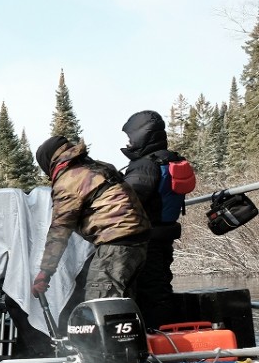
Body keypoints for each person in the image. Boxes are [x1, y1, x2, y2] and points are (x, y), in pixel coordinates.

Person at [31, 135, 150, 303]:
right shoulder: (97, 167)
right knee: (123, 302)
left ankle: (107, 330)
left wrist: (45, 272)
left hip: (116, 241)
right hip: (139, 240)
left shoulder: (68, 181)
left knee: (100, 302)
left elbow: (60, 230)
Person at [120, 110, 186, 329]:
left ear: (142, 135)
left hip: (145, 239)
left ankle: (157, 341)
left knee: (149, 291)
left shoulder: (145, 165)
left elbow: (127, 199)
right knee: (159, 286)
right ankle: (165, 337)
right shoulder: (169, 159)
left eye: (131, 136)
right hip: (163, 236)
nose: (128, 141)